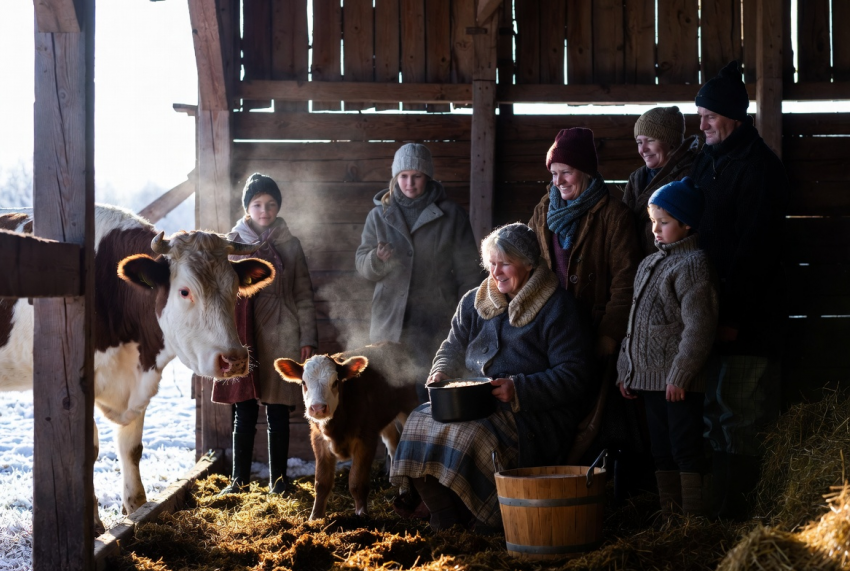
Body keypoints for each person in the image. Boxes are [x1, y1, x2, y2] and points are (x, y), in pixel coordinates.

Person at [389, 223, 593, 531]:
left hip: (533, 414)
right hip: (475, 403)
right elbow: (452, 347)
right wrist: (441, 371)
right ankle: (443, 513)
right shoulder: (475, 300)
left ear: (528, 263)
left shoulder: (556, 306)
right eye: (492, 264)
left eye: (505, 264)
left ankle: (487, 519)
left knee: (473, 435)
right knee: (419, 420)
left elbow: (575, 375)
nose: (496, 273)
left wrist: (519, 388)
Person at [689, 60, 789, 520]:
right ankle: (718, 516)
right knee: (716, 413)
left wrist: (731, 318)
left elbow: (757, 250)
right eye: (701, 114)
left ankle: (739, 521)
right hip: (713, 313)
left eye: (710, 115)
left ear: (735, 116)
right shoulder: (710, 162)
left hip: (747, 321)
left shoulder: (758, 169)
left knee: (740, 417)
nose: (703, 123)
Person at [528, 127, 643, 479]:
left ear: (587, 172)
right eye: (554, 173)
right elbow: (528, 264)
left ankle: (602, 492)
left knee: (598, 416)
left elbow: (626, 281)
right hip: (552, 330)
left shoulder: (614, 214)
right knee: (557, 408)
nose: (559, 180)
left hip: (592, 329)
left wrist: (609, 333)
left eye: (567, 172)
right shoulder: (544, 209)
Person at [616, 177, 718, 516]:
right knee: (660, 450)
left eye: (664, 222)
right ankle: (670, 521)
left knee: (684, 448)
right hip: (647, 381)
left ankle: (693, 524)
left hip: (677, 384)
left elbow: (699, 327)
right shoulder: (649, 263)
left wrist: (681, 374)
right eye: (652, 221)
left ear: (686, 224)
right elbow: (635, 323)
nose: (655, 229)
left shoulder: (693, 266)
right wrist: (626, 370)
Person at [214, 173, 318, 495]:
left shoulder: (290, 244)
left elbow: (303, 294)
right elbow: (219, 295)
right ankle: (238, 482)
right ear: (247, 208)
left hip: (281, 331)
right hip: (242, 334)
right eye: (257, 204)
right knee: (243, 410)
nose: (264, 210)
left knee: (277, 411)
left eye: (271, 204)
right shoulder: (230, 244)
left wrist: (307, 338)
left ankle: (279, 482)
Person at [355, 143, 483, 400]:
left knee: (430, 390)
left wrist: (465, 316)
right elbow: (362, 265)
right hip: (391, 321)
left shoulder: (452, 215)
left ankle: (428, 440)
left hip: (436, 320)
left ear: (428, 177)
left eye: (417, 176)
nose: (409, 183)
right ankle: (397, 443)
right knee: (390, 395)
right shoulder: (378, 216)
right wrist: (376, 259)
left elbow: (469, 270)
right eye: (403, 176)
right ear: (395, 177)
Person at [623, 106, 701, 256]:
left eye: (650, 140)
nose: (643, 149)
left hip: (676, 261)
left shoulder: (689, 176)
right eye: (639, 142)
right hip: (638, 264)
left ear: (671, 142)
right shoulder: (636, 178)